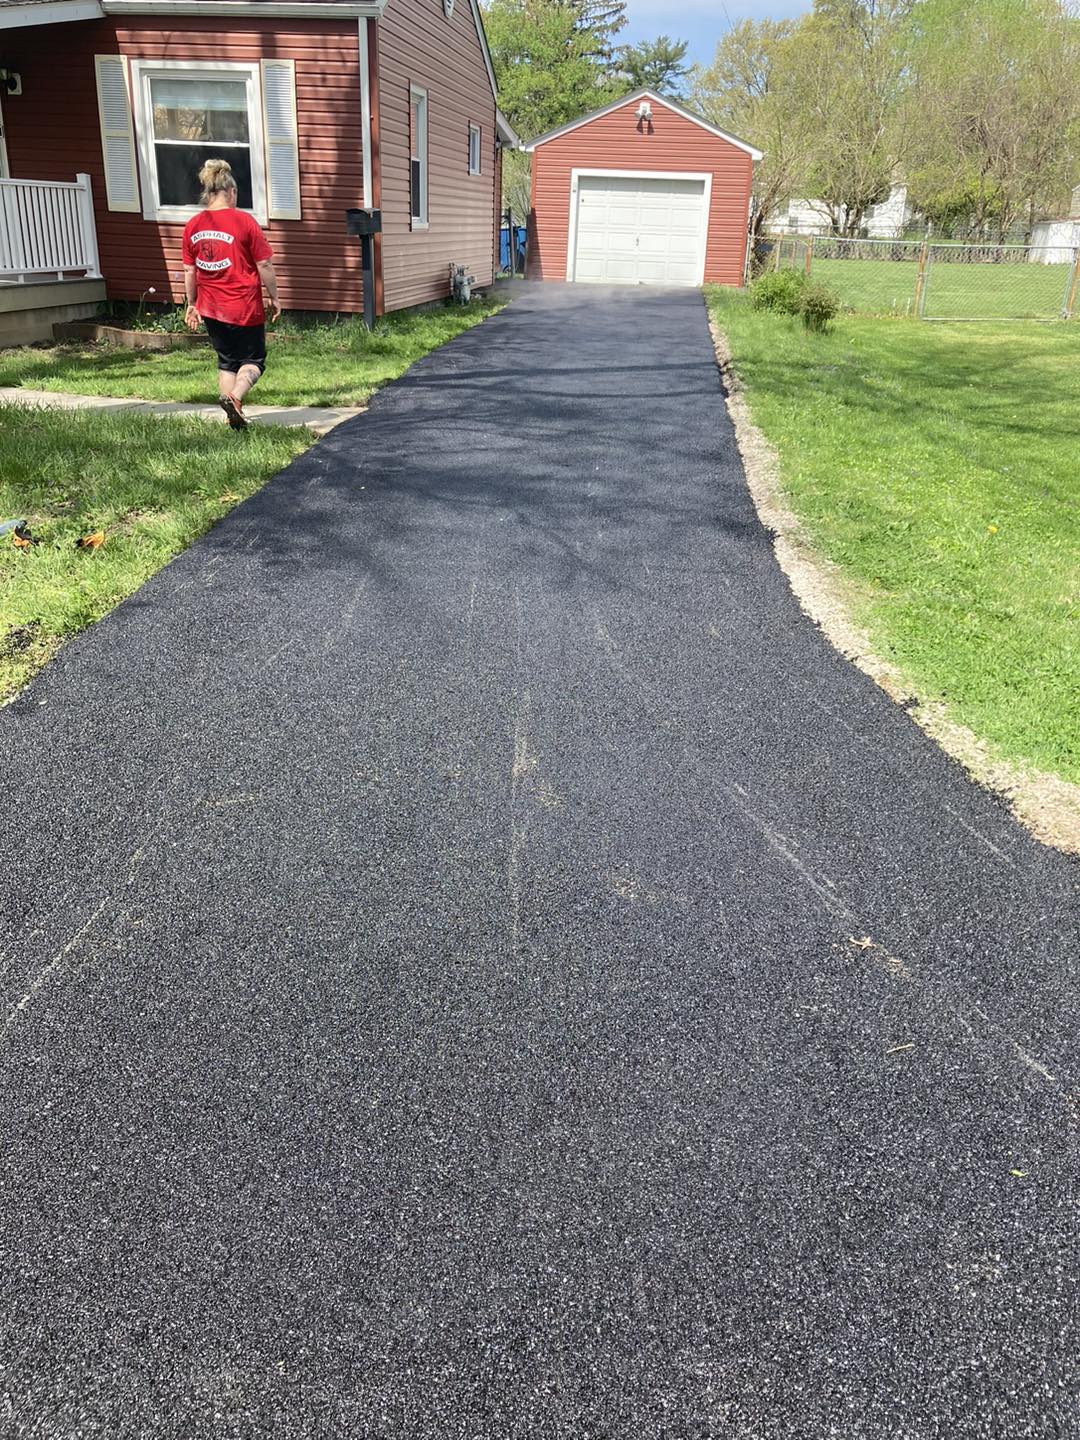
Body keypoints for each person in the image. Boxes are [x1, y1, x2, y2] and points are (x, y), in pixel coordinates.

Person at [181, 158, 281, 431]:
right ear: (231, 192)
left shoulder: (193, 226)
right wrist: (274, 296)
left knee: (227, 363)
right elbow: (264, 264)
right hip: (244, 307)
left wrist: (193, 304)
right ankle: (235, 398)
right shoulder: (244, 222)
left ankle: (231, 418)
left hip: (212, 309)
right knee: (253, 361)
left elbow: (190, 272)